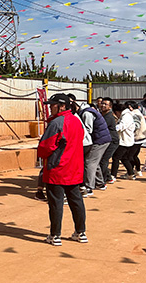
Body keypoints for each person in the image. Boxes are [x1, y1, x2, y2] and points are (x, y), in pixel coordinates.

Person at [37, 93, 87, 246]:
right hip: (74, 168)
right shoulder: (77, 121)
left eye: (52, 105)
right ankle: (80, 232)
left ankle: (55, 235)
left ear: (62, 106)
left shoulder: (57, 123)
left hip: (57, 169)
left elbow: (45, 147)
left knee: (56, 203)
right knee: (76, 201)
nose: (50, 108)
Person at [75, 96, 112, 197]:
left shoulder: (87, 113)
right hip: (102, 139)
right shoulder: (87, 111)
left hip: (100, 140)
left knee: (89, 162)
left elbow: (88, 130)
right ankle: (100, 183)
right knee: (94, 161)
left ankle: (89, 187)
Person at [111, 103, 136, 180]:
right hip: (126, 140)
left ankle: (113, 175)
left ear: (118, 111)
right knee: (124, 158)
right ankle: (131, 174)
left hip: (124, 141)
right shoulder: (126, 115)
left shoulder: (126, 116)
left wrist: (111, 129)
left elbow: (121, 126)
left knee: (116, 158)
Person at [97, 97, 119, 188]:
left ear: (110, 107)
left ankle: (103, 179)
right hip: (107, 140)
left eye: (105, 104)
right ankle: (108, 177)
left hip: (112, 141)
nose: (102, 105)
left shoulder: (109, 117)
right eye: (102, 103)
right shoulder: (102, 115)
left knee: (103, 160)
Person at [126, 101, 146, 177]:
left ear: (130, 107)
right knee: (134, 155)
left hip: (137, 137)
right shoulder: (138, 113)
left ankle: (131, 172)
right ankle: (137, 170)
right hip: (141, 137)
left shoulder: (134, 114)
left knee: (130, 156)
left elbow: (136, 126)